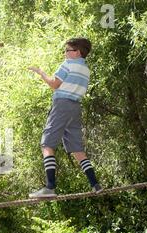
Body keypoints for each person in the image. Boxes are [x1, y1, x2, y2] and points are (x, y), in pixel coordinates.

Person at [28, 37, 102, 198]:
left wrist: (41, 73)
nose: (65, 54)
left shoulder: (68, 64)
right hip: (75, 108)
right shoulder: (86, 70)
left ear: (77, 52)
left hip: (62, 106)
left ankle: (50, 187)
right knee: (77, 150)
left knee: (47, 144)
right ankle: (95, 184)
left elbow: (54, 84)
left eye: (67, 50)